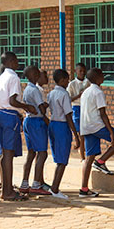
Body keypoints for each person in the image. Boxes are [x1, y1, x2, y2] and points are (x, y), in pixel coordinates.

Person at [80, 68, 114, 197]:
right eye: (102, 76)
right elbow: (103, 114)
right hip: (97, 126)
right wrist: (111, 132)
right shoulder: (98, 92)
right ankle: (101, 162)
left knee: (89, 158)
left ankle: (84, 189)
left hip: (87, 127)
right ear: (96, 78)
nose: (104, 78)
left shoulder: (86, 92)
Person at [0, 52, 32, 201]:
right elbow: (13, 101)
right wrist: (27, 107)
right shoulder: (14, 77)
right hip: (10, 115)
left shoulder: (1, 77)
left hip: (0, 114)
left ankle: (5, 189)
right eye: (16, 60)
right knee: (8, 153)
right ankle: (8, 191)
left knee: (4, 153)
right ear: (10, 61)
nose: (18, 63)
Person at [47, 69, 80, 199]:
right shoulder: (64, 94)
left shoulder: (51, 93)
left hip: (53, 124)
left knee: (58, 158)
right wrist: (76, 136)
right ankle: (55, 188)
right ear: (62, 80)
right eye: (67, 80)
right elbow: (68, 115)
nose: (68, 82)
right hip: (61, 126)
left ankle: (54, 187)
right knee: (62, 160)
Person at [20, 65, 49, 195]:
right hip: (37, 122)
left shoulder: (27, 89)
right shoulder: (35, 90)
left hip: (28, 121)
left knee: (31, 153)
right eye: (37, 73)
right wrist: (46, 113)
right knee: (42, 153)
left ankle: (24, 183)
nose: (39, 75)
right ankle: (37, 184)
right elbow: (41, 109)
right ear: (33, 76)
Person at [67, 63, 90, 161]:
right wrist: (79, 95)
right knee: (80, 133)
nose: (82, 73)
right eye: (80, 71)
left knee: (87, 132)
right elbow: (68, 98)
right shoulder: (72, 84)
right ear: (76, 71)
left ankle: (87, 154)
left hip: (86, 108)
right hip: (77, 107)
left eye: (84, 71)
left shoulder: (88, 83)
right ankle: (82, 156)